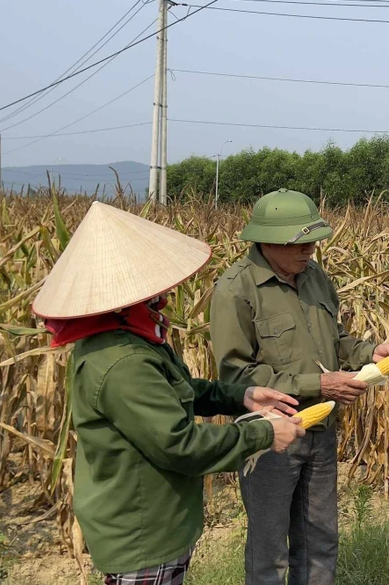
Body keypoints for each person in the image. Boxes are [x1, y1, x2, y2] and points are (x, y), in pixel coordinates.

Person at [31, 202, 305, 585]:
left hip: (155, 522)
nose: (166, 290)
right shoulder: (123, 361)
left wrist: (241, 396)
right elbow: (181, 444)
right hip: (143, 532)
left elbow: (178, 391)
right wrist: (264, 433)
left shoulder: (124, 338)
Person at [209, 188, 389, 585]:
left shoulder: (316, 278)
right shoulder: (236, 290)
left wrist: (370, 352)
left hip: (320, 432)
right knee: (269, 550)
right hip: (270, 436)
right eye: (301, 242)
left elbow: (338, 341)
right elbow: (235, 376)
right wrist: (320, 383)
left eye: (313, 240)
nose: (310, 250)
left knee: (320, 538)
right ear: (266, 241)